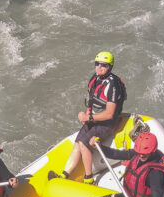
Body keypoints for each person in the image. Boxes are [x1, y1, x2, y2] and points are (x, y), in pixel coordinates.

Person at [48, 51, 126, 184]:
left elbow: (109, 114)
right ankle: (64, 175)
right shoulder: (94, 79)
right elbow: (91, 102)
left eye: (104, 65)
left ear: (110, 67)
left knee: (84, 143)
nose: (99, 67)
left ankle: (89, 178)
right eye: (97, 64)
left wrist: (88, 118)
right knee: (77, 143)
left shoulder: (113, 85)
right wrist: (87, 116)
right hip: (93, 119)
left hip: (107, 123)